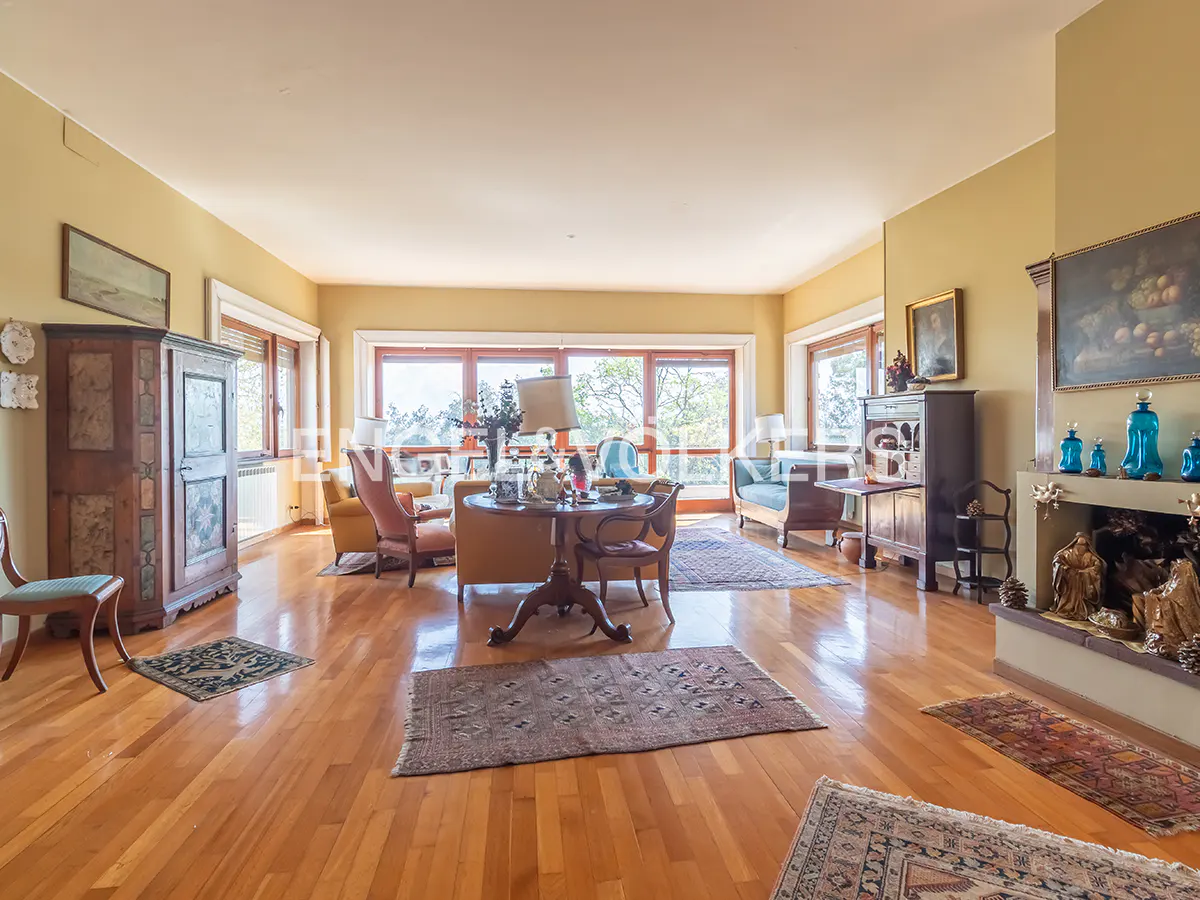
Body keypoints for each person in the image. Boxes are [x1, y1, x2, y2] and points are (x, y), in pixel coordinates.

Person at [1051, 533, 1105, 620]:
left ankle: (1083, 610)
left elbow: (1097, 566)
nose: (1080, 547)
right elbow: (1057, 561)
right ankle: (1066, 608)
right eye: (1078, 544)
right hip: (1070, 581)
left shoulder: (1090, 556)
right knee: (1068, 598)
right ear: (1074, 543)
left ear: (1087, 545)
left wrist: (1085, 572)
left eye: (1083, 545)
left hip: (1084, 582)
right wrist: (1065, 569)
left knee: (1083, 599)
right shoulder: (1067, 553)